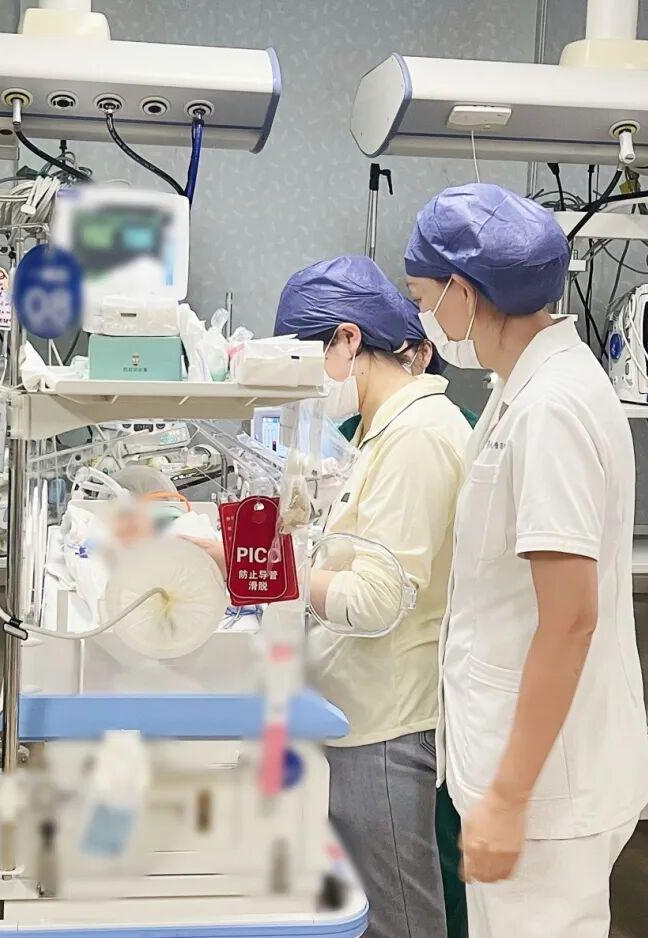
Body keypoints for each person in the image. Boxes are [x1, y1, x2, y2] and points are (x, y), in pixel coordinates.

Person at [405, 182, 648, 938]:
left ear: (463, 292)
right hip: (526, 769)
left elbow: (570, 619)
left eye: (423, 299)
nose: (424, 318)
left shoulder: (551, 409)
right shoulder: (525, 387)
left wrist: (510, 798)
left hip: (547, 793)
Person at [273, 254, 471, 938]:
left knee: (399, 920)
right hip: (353, 708)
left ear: (348, 339)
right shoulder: (379, 430)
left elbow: (375, 599)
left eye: (304, 360)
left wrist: (265, 571)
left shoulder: (419, 437)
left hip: (387, 724)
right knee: (364, 914)